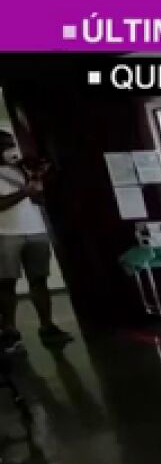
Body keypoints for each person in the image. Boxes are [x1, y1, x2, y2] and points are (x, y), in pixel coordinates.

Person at [0, 129, 71, 353]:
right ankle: (9, 330)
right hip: (5, 233)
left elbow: (38, 199)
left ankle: (47, 326)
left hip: (35, 230)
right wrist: (25, 192)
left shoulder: (21, 170)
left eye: (11, 143)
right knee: (6, 283)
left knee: (39, 280)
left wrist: (37, 179)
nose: (10, 149)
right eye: (4, 145)